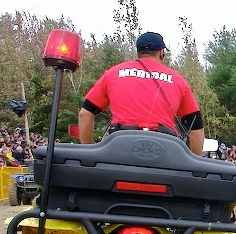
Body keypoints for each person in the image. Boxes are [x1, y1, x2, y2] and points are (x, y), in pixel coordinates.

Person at [77, 32, 205, 156]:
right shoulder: (178, 80)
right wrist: (195, 163)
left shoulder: (113, 73)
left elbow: (85, 114)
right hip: (164, 148)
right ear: (162, 53)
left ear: (138, 52)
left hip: (120, 146)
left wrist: (89, 153)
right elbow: (196, 126)